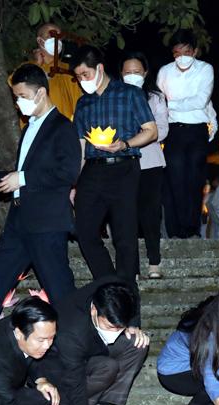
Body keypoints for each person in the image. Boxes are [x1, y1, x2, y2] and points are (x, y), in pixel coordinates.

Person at [0, 64, 80, 340]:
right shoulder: (30, 128)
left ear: (40, 93)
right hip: (20, 220)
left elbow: (68, 172)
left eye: (21, 95)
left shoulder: (62, 127)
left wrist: (24, 178)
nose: (18, 102)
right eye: (15, 96)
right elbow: (20, 175)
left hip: (47, 221)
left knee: (58, 286)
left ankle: (77, 339)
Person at [71, 44, 157, 281]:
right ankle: (109, 283)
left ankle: (128, 296)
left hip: (124, 166)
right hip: (92, 169)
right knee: (84, 231)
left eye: (85, 75)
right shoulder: (83, 103)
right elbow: (80, 145)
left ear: (99, 68)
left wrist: (125, 144)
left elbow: (151, 131)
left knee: (124, 236)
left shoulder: (130, 94)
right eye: (78, 77)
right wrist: (74, 183)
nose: (82, 80)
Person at [46, 279, 149, 405]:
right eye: (110, 326)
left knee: (138, 343)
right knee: (108, 367)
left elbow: (131, 289)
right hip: (61, 365)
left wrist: (133, 324)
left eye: (119, 327)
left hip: (94, 345)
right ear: (94, 310)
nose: (115, 332)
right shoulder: (71, 328)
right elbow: (75, 378)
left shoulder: (115, 286)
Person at [157, 29, 213, 239]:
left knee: (194, 179)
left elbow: (201, 101)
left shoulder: (206, 69)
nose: (181, 58)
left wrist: (172, 104)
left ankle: (192, 229)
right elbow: (161, 104)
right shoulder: (164, 72)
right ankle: (175, 230)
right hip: (173, 131)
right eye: (176, 53)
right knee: (174, 179)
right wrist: (174, 106)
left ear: (195, 51)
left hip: (197, 130)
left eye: (186, 52)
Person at [121, 51, 167, 279]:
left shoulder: (155, 98)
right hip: (123, 163)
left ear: (145, 73)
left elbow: (163, 128)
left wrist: (142, 135)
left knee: (150, 215)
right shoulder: (116, 97)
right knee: (127, 215)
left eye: (136, 72)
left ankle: (154, 262)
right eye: (127, 72)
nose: (132, 76)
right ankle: (132, 267)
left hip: (150, 162)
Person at [24, 22, 80, 120]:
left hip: (65, 128)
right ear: (40, 41)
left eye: (59, 37)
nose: (56, 40)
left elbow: (78, 102)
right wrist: (36, 64)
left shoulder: (68, 69)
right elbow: (14, 86)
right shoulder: (27, 68)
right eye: (52, 36)